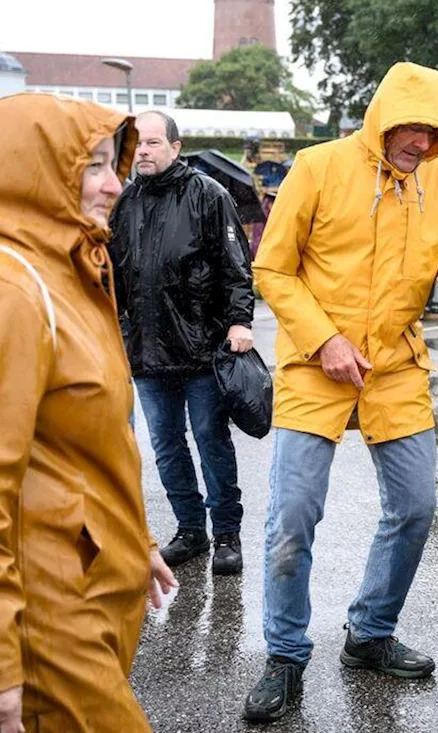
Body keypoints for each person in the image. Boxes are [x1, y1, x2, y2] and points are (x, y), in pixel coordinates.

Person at [243, 62, 438, 723]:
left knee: (417, 506)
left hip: (396, 365)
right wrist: (325, 340)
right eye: (411, 129)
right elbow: (273, 268)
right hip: (317, 363)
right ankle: (285, 655)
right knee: (292, 516)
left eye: (433, 132)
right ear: (383, 119)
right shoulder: (318, 167)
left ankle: (370, 633)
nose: (421, 143)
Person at [0, 93, 177, 730]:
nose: (115, 183)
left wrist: (138, 543)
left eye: (116, 163)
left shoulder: (73, 268)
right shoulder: (15, 290)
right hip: (47, 609)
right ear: (36, 169)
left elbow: (96, 443)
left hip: (92, 572)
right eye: (94, 165)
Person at [109, 110, 255, 576]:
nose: (144, 152)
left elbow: (236, 267)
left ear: (175, 146)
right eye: (138, 144)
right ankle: (190, 529)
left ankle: (226, 534)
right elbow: (110, 274)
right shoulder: (124, 202)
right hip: (146, 351)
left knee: (212, 439)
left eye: (153, 142)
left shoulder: (208, 195)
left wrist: (238, 322)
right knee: (167, 445)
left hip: (201, 346)